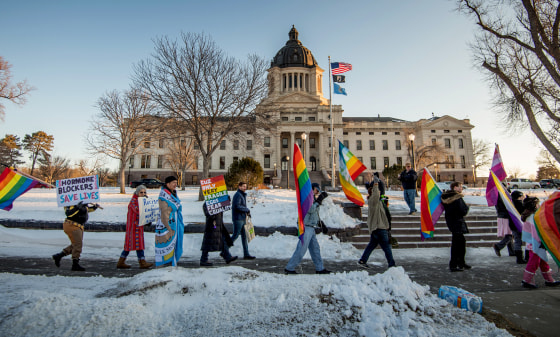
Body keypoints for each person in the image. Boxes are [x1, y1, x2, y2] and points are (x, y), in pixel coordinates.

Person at [285, 183, 331, 274]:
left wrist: (321, 224)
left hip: (311, 227)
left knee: (315, 249)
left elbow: (314, 214)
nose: (317, 192)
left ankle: (319, 268)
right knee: (301, 249)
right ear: (312, 189)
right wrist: (319, 200)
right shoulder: (306, 198)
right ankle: (289, 268)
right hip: (305, 226)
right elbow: (310, 209)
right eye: (316, 190)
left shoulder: (313, 198)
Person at [521, 197, 560, 288]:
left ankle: (549, 279)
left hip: (532, 243)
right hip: (536, 243)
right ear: (534, 206)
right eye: (538, 204)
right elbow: (536, 232)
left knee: (542, 261)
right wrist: (542, 241)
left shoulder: (528, 216)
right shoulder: (533, 217)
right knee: (533, 262)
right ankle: (527, 280)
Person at [358, 176, 396, 269]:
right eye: (377, 191)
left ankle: (363, 260)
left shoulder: (377, 202)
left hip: (377, 228)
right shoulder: (373, 201)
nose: (379, 192)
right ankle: (392, 264)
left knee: (371, 246)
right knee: (387, 247)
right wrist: (375, 184)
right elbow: (375, 195)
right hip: (379, 228)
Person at [52, 201, 100, 271]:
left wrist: (93, 208)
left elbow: (84, 211)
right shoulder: (70, 202)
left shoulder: (81, 202)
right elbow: (69, 213)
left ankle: (59, 256)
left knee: (75, 244)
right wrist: (78, 207)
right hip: (72, 225)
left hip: (78, 226)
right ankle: (75, 264)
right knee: (78, 244)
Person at [117, 185, 154, 269]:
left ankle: (141, 261)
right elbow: (138, 211)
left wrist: (147, 219)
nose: (143, 194)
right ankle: (123, 261)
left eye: (144, 192)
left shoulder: (141, 201)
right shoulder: (134, 201)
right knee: (130, 245)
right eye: (141, 192)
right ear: (137, 193)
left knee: (138, 245)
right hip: (132, 227)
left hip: (138, 227)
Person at [155, 176, 184, 267]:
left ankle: (172, 260)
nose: (176, 184)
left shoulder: (172, 193)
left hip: (175, 221)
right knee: (166, 241)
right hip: (166, 223)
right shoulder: (164, 194)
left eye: (176, 182)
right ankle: (165, 262)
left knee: (174, 242)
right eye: (173, 182)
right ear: (167, 184)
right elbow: (167, 207)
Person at [441, 181, 471, 272]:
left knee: (458, 243)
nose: (461, 188)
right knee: (458, 244)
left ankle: (460, 262)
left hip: (451, 222)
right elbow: (463, 211)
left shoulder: (446, 197)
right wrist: (467, 207)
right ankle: (455, 264)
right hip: (458, 222)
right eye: (460, 186)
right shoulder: (457, 198)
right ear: (455, 187)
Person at [200, 200, 237, 266]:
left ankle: (227, 256)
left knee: (223, 239)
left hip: (219, 224)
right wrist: (212, 215)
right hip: (212, 225)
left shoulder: (218, 201)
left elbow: (225, 206)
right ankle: (203, 259)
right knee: (207, 242)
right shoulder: (208, 202)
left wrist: (226, 199)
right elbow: (207, 213)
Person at [492, 190, 521, 258]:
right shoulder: (503, 197)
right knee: (509, 235)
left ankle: (511, 251)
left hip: (503, 216)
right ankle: (498, 246)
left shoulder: (499, 197)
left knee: (509, 234)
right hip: (506, 217)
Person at [231, 181, 255, 259]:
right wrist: (246, 210)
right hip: (238, 219)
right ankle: (225, 250)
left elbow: (241, 206)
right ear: (239, 187)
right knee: (235, 235)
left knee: (244, 237)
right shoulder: (238, 195)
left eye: (245, 186)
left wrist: (247, 212)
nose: (245, 188)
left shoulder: (242, 195)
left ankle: (246, 254)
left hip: (242, 218)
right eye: (243, 186)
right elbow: (237, 206)